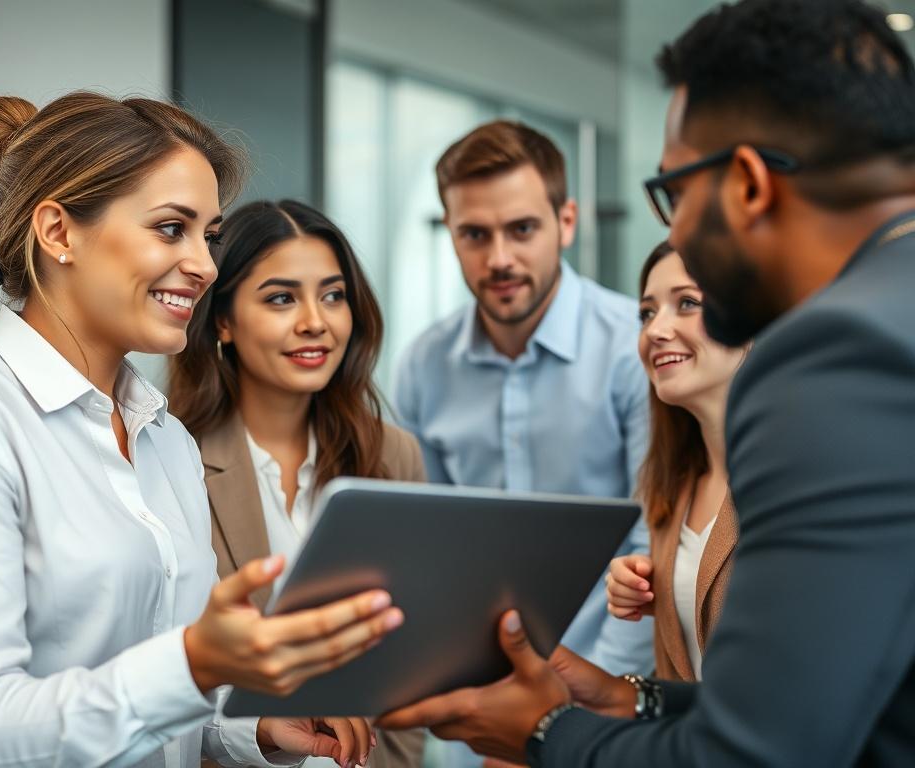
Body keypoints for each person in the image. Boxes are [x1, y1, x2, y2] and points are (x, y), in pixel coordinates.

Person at [377, 1, 915, 765]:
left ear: (748, 184)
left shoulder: (837, 354)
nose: (676, 235)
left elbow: (750, 755)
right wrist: (634, 698)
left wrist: (543, 733)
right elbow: (835, 695)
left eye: (676, 194)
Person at [0, 92, 404, 768]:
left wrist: (258, 721)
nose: (206, 266)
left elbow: (175, 701)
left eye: (209, 236)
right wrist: (192, 664)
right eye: (170, 229)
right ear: (58, 233)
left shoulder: (167, 441)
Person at [168, 199, 426, 768]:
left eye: (333, 295)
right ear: (223, 320)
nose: (316, 321)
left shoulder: (393, 454)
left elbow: (407, 665)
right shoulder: (172, 457)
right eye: (281, 298)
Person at [393, 120, 653, 676]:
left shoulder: (636, 347)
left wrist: (592, 696)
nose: (499, 259)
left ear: (567, 222)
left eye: (522, 229)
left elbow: (653, 543)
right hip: (475, 688)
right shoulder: (423, 365)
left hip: (609, 684)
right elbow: (430, 546)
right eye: (474, 234)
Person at [605, 241, 743, 682]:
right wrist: (656, 590)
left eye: (687, 303)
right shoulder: (673, 487)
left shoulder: (795, 477)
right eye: (647, 313)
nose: (656, 330)